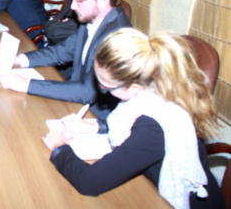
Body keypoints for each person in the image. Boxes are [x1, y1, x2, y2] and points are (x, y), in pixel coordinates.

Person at [42, 28, 224, 209]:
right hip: (148, 184)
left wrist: (60, 147)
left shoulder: (155, 126)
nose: (101, 89)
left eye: (105, 86)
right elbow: (131, 126)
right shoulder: (157, 90)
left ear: (136, 85)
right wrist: (97, 126)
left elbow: (88, 182)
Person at [0, 0, 131, 123]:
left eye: (79, 0)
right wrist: (18, 60)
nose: (72, 6)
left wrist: (26, 84)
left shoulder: (117, 37)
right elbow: (62, 51)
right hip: (77, 105)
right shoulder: (93, 20)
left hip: (97, 120)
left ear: (102, 1)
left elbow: (87, 91)